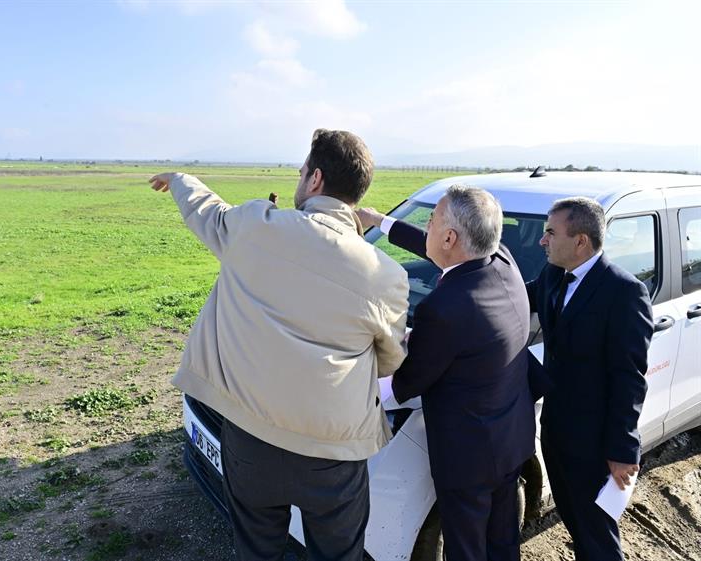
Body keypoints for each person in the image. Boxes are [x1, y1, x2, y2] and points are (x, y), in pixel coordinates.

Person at [149, 129, 409, 561]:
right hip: (334, 451)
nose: (299, 177)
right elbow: (389, 360)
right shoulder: (387, 275)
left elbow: (208, 212)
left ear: (315, 179)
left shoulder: (256, 227)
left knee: (257, 548)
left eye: (302, 170)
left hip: (252, 438)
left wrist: (181, 179)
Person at [358, 186, 535, 561]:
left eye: (432, 220)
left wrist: (354, 384)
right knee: (502, 541)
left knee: (465, 548)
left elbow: (404, 385)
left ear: (451, 238)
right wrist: (379, 221)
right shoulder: (501, 260)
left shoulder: (444, 308)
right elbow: (433, 248)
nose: (428, 226)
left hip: (468, 460)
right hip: (511, 437)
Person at [526, 197, 653, 561]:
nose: (542, 240)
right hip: (555, 431)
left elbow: (629, 378)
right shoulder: (553, 274)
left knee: (597, 538)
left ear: (580, 241)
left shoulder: (624, 292)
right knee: (576, 524)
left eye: (550, 232)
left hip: (595, 444)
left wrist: (622, 450)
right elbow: (509, 297)